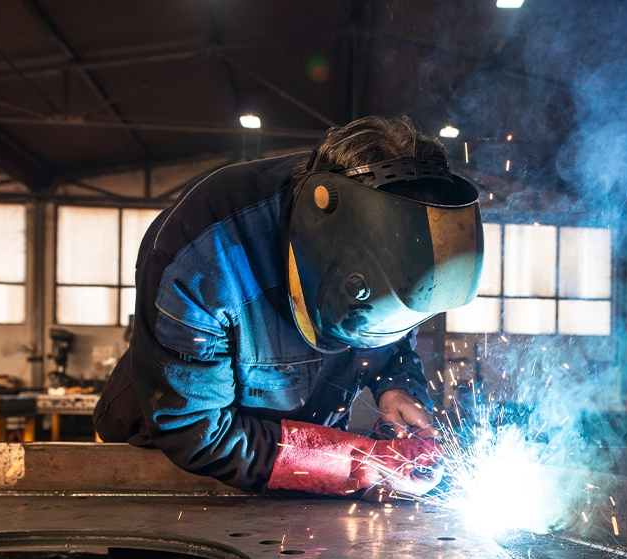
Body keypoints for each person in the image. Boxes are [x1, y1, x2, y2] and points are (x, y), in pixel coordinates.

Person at [94, 115, 484, 498]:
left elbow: (390, 339)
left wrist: (397, 387)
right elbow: (196, 430)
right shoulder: (202, 258)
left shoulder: (393, 257)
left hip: (306, 468)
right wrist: (358, 461)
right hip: (161, 467)